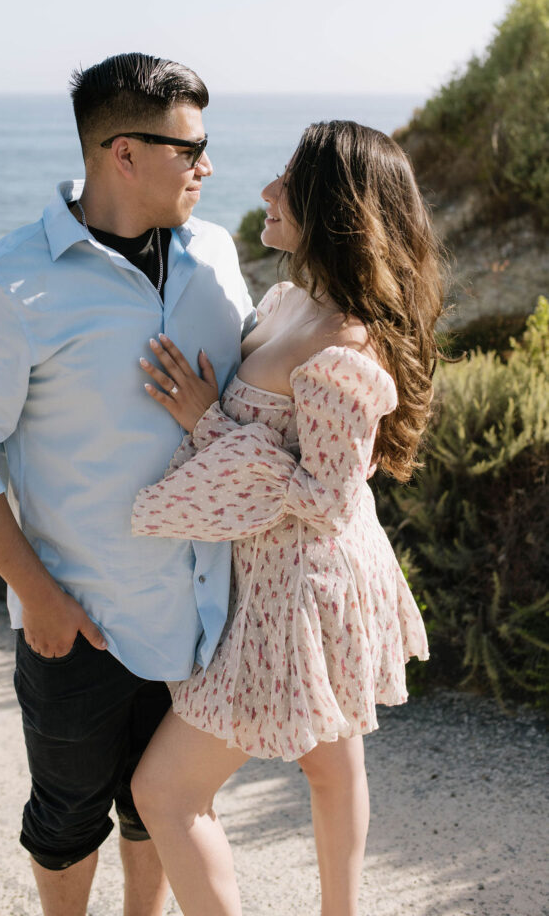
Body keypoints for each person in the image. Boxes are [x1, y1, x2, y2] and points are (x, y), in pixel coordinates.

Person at [0, 52, 255, 916]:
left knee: (163, 807)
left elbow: (253, 397)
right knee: (67, 817)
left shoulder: (214, 252)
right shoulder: (7, 283)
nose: (208, 167)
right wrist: (39, 596)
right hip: (83, 618)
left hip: (207, 611)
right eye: (192, 149)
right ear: (123, 154)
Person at [130, 120, 444, 916]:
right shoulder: (289, 301)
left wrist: (207, 422)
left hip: (300, 592)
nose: (265, 192)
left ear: (332, 209)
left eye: (286, 183)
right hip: (286, 580)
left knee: (164, 792)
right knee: (331, 768)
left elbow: (324, 501)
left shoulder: (343, 347)